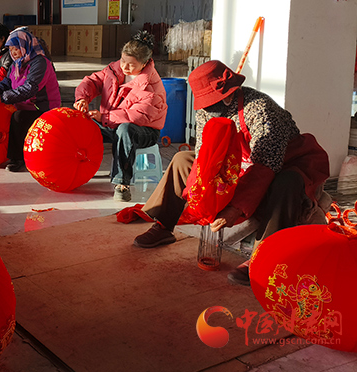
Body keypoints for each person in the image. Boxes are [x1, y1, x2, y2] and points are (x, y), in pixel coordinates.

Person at [133, 60, 330, 286]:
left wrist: (235, 209)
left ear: (229, 93)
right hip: (239, 163)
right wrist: (200, 196)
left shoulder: (261, 109)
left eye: (211, 101)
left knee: (287, 182)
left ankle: (264, 257)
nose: (207, 108)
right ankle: (163, 225)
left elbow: (265, 167)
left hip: (283, 165)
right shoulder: (206, 111)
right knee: (182, 160)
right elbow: (204, 155)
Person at [73, 31, 167, 201]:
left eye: (131, 65)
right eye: (123, 60)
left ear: (144, 63)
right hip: (111, 122)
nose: (125, 67)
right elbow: (92, 81)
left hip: (143, 131)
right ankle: (71, 170)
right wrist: (82, 99)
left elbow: (137, 116)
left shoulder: (151, 86)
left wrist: (104, 117)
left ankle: (122, 184)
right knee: (80, 121)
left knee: (125, 130)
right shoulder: (113, 70)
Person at [0, 27, 61, 172]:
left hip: (42, 109)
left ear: (25, 46)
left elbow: (30, 88)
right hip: (22, 105)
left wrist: (2, 98)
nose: (13, 52)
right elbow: (6, 83)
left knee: (18, 117)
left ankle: (17, 158)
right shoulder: (16, 64)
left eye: (16, 48)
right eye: (11, 49)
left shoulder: (40, 63)